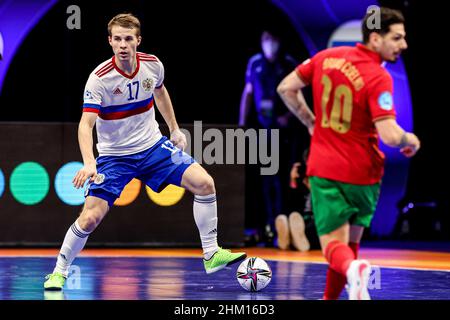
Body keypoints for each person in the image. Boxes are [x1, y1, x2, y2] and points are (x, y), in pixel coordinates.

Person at [44, 13, 246, 290]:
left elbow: (161, 94)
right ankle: (59, 271)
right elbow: (85, 125)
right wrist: (90, 163)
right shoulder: (99, 79)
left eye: (128, 39)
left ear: (138, 40)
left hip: (153, 146)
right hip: (115, 157)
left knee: (205, 183)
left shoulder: (153, 66)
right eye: (117, 39)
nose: (123, 45)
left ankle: (211, 253)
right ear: (110, 42)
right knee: (90, 218)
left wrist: (174, 128)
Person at [277, 7, 420, 300]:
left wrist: (310, 122)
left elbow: (286, 88)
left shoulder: (324, 58)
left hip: (328, 171)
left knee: (333, 248)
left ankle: (354, 271)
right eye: (397, 38)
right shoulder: (379, 77)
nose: (403, 45)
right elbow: (392, 135)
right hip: (365, 176)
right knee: (349, 246)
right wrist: (412, 140)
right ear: (376, 38)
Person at [239, 29, 298, 247]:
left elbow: (298, 95)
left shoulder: (289, 63)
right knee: (265, 180)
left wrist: (289, 116)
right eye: (265, 39)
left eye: (273, 39)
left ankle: (284, 225)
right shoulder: (255, 63)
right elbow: (248, 92)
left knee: (283, 179)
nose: (269, 43)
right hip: (263, 131)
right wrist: (242, 123)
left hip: (284, 131)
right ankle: (268, 227)